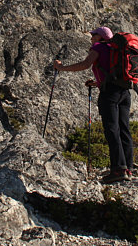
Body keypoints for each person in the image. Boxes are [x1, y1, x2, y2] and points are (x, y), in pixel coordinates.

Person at [54, 27, 133, 184]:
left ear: (100, 37)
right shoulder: (116, 49)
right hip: (124, 91)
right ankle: (128, 168)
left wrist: (61, 67)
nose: (91, 38)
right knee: (124, 129)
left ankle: (118, 169)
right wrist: (98, 83)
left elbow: (85, 64)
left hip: (109, 94)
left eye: (93, 35)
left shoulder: (99, 47)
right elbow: (113, 73)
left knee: (112, 129)